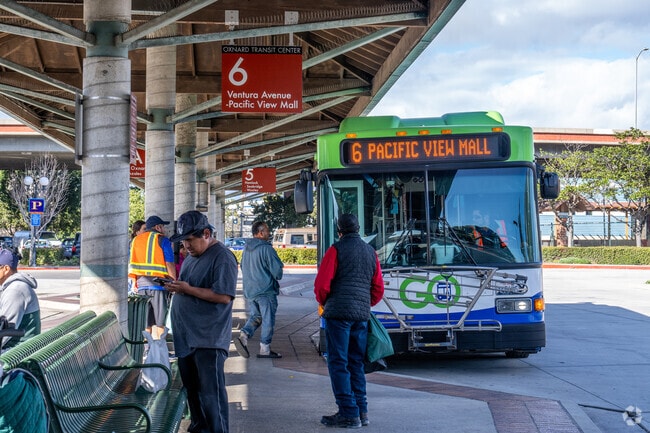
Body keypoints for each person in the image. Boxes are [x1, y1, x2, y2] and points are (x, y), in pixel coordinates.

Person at [165, 210, 238, 433]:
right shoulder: (191, 257)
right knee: (194, 392)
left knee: (211, 396)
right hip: (187, 337)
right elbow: (189, 285)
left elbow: (223, 296)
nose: (186, 246)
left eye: (189, 240)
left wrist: (188, 289)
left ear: (206, 233)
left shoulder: (222, 257)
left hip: (208, 338)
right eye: (183, 241)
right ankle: (200, 428)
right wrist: (178, 287)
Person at [314, 214, 384, 429]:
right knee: (356, 363)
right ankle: (362, 411)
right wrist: (364, 304)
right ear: (358, 228)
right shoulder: (370, 252)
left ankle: (347, 412)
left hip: (338, 315)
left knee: (338, 363)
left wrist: (327, 302)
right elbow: (378, 288)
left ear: (339, 230)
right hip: (360, 316)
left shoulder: (336, 249)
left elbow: (322, 285)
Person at [234, 221, 284, 359]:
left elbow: (243, 267)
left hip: (251, 291)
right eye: (267, 230)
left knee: (256, 316)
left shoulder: (247, 249)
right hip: (266, 291)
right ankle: (265, 348)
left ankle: (244, 335)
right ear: (261, 233)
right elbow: (277, 273)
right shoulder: (266, 249)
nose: (269, 233)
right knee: (268, 319)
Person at [128, 215, 176, 340]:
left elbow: (131, 263)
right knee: (160, 323)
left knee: (146, 322)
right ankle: (159, 350)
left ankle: (146, 351)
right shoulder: (162, 240)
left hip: (141, 286)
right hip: (159, 286)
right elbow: (169, 263)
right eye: (163, 227)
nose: (164, 230)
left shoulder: (135, 241)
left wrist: (134, 282)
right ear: (157, 227)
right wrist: (174, 283)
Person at [0, 249, 40, 351]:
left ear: (6, 269)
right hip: (18, 350)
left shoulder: (15, 290)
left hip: (16, 353)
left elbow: (5, 331)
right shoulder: (12, 287)